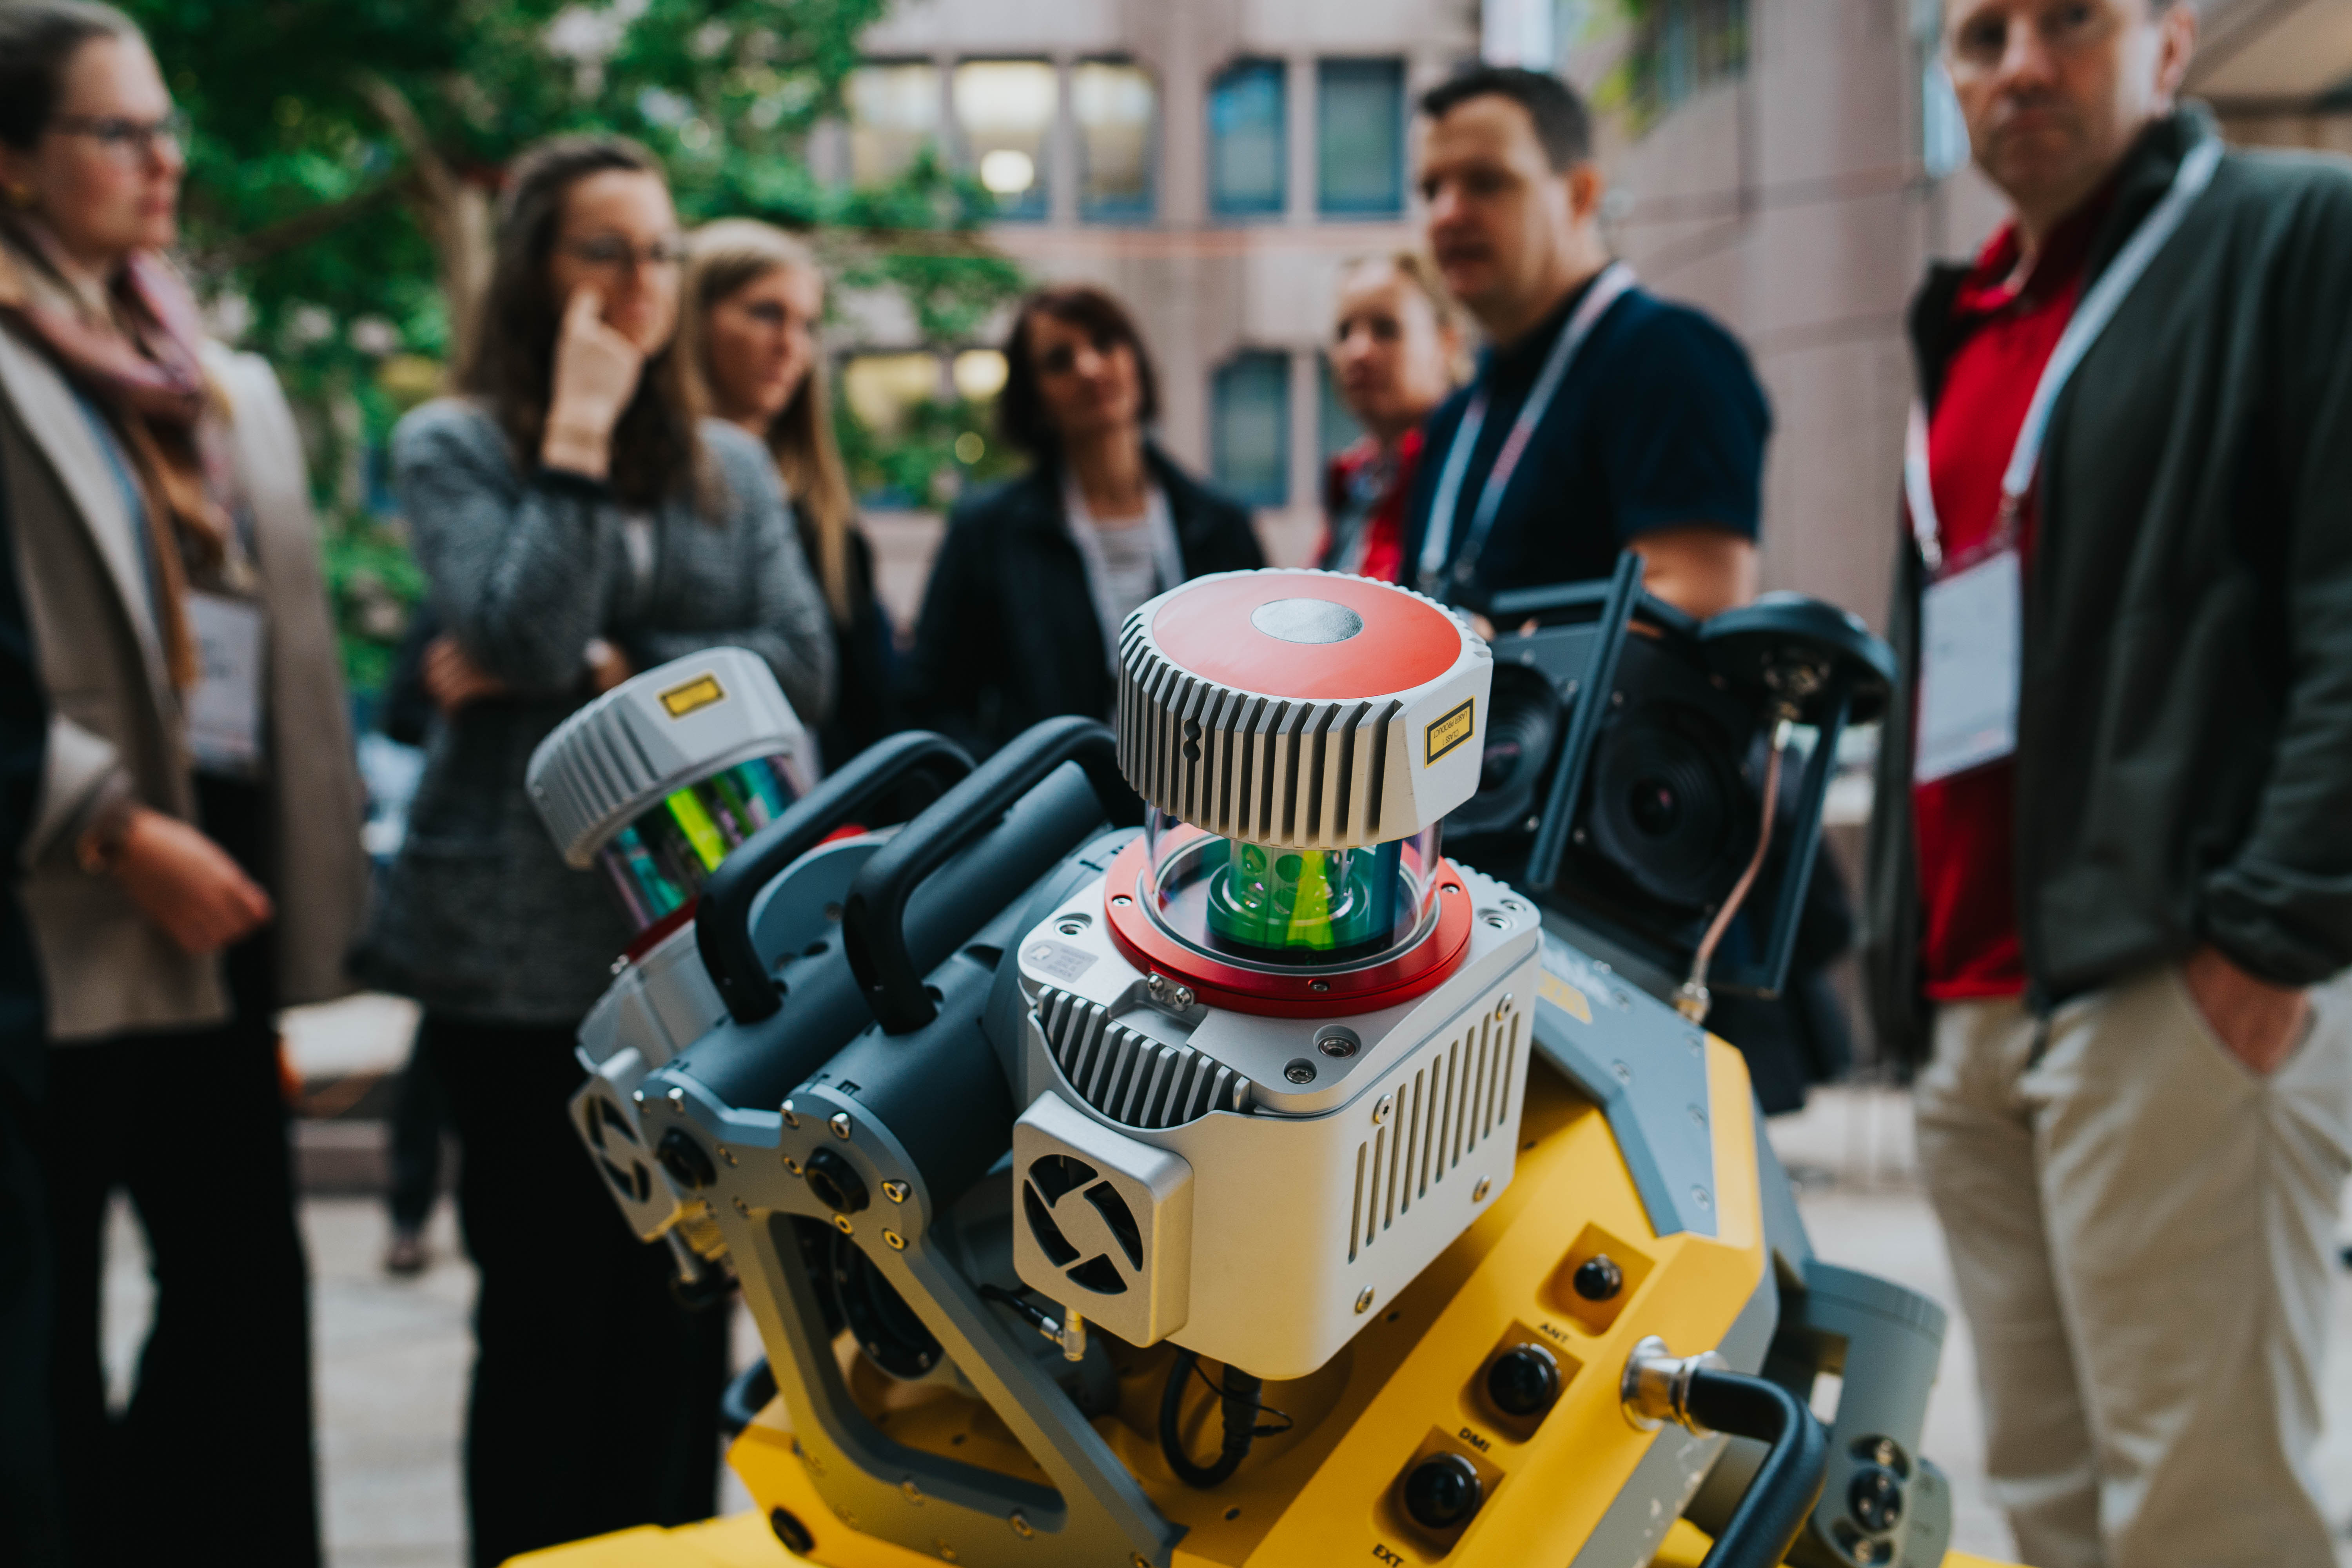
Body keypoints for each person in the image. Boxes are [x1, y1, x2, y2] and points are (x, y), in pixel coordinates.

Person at [1859, 2, 2352, 1563]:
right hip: (1977, 1002)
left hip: (2174, 981)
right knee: (2054, 1511)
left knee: (2210, 1524)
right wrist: (1907, 975)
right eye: (1978, 34)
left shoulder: (2294, 235)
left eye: (2066, 18)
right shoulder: (1972, 315)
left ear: (2169, 41)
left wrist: (2272, 936)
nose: (2017, 65)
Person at [359, 136, 835, 1567]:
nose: (642, 282)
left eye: (661, 251)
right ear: (535, 273)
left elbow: (800, 665)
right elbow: (509, 632)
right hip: (516, 977)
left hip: (702, 969)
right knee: (542, 1319)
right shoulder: (455, 445)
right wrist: (572, 432)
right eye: (604, 250)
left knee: (680, 1325)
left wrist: (616, 659)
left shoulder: (733, 466)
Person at [0, 4, 370, 1563]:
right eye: (119, 131)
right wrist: (103, 821)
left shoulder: (183, 357)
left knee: (239, 1308)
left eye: (164, 127)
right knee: (37, 1331)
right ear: (14, 160)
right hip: (57, 910)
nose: (165, 158)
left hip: (221, 889)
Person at [1403, 67, 1767, 621]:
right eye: (1431, 189)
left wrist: (1504, 660)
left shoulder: (1669, 358)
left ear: (1580, 194)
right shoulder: (1454, 418)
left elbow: (1700, 600)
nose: (1446, 213)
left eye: (1485, 181)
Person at [904, 284, 1263, 756]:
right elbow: (929, 703)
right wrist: (1009, 795)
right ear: (1034, 400)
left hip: (1204, 812)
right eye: (1059, 361)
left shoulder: (1219, 523)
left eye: (1105, 343)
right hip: (1056, 813)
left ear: (1135, 359)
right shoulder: (988, 534)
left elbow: (1267, 686)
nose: (1090, 367)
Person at [682, 218, 897, 768]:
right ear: (692, 317)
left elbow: (864, 702)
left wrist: (630, 663)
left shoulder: (823, 519)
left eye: (807, 324)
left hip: (818, 818)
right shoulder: (635, 494)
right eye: (765, 313)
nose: (790, 346)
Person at [1318, 251, 1465, 583]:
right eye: (1344, 332)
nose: (1358, 350)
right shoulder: (1355, 483)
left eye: (1386, 329)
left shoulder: (1469, 471)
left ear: (1447, 344)